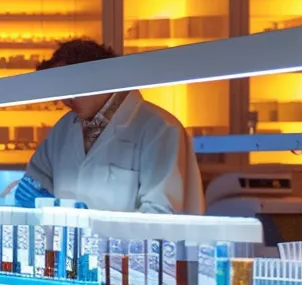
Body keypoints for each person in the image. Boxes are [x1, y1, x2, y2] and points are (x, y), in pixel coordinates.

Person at [16, 38, 203, 213]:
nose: (66, 99)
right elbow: (35, 183)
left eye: (72, 88)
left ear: (101, 78)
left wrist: (95, 230)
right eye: (61, 91)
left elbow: (161, 213)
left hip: (129, 248)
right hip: (68, 245)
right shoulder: (64, 128)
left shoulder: (160, 128)